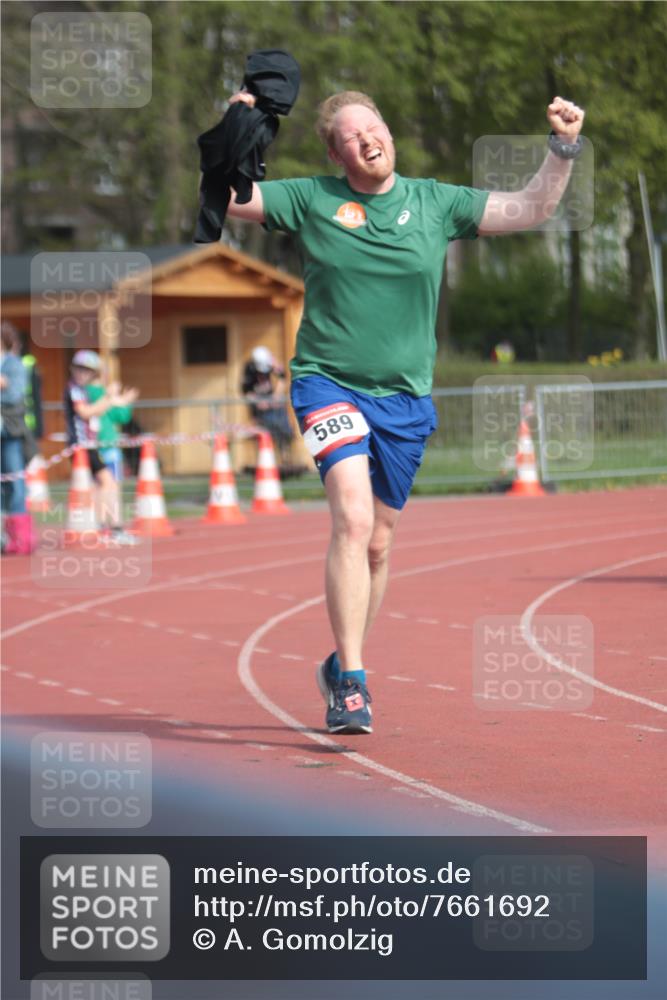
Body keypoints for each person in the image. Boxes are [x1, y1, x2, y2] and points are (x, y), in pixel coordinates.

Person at [226, 89, 585, 734]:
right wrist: (236, 125)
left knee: (380, 545)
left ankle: (340, 662)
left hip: (404, 400)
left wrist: (561, 147)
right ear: (335, 154)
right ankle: (355, 688)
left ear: (389, 133)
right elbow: (227, 196)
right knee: (353, 518)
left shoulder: (435, 202)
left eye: (375, 126)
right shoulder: (311, 198)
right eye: (351, 135)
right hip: (327, 383)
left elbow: (533, 207)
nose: (368, 139)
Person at [63, 350, 139, 545]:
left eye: (87, 371)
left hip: (90, 445)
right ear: (73, 369)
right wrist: (109, 397)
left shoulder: (84, 390)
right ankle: (105, 528)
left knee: (104, 485)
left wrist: (118, 399)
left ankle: (107, 528)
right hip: (82, 446)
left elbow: (108, 408)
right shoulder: (75, 389)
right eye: (80, 369)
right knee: (107, 483)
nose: (83, 373)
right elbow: (86, 412)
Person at [1, 321, 37, 554]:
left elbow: (15, 395)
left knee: (16, 482)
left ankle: (21, 537)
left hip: (11, 432)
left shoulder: (14, 364)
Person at [241, 346, 294, 463]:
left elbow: (282, 379)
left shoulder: (272, 363)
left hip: (273, 405)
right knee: (264, 434)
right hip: (259, 408)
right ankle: (265, 461)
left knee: (283, 430)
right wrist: (257, 402)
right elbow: (245, 391)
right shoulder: (249, 368)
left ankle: (285, 458)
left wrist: (276, 396)